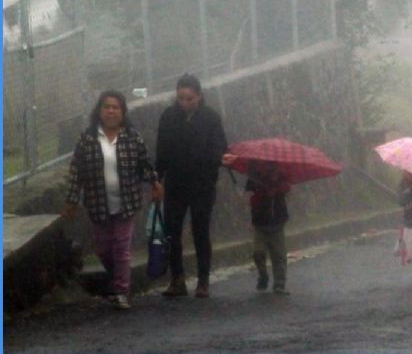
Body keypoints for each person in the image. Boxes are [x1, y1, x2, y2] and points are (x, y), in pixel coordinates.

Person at [62, 90, 163, 309]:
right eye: (106, 107)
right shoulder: (88, 138)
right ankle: (117, 279)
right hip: (98, 203)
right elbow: (76, 171)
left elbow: (144, 165)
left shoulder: (131, 137)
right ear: (99, 111)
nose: (110, 111)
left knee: (121, 246)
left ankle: (121, 290)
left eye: (115, 107)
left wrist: (155, 183)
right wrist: (71, 200)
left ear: (122, 112)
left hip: (126, 202)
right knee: (103, 249)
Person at [156, 74, 227, 298]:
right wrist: (157, 179)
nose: (184, 103)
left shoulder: (211, 118)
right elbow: (162, 150)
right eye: (181, 98)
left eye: (189, 98)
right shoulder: (168, 117)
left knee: (200, 230)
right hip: (176, 182)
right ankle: (177, 279)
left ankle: (203, 280)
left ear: (199, 96)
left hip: (202, 184)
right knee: (172, 231)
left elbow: (219, 148)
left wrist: (210, 161)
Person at [222, 157, 292, 295]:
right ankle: (263, 275)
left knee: (279, 255)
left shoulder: (281, 176)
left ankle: (279, 283)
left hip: (277, 221)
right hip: (260, 222)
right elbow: (249, 196)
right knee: (258, 253)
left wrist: (277, 190)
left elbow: (287, 191)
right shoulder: (254, 177)